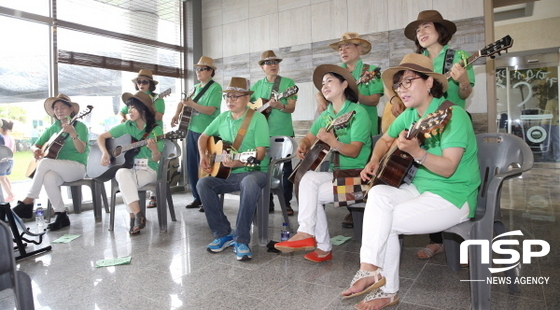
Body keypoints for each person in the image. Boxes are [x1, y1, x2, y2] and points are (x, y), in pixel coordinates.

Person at [341, 53, 480, 309]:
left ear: (429, 83)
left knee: (386, 222)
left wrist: (417, 152)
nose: (401, 90)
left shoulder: (453, 115)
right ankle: (369, 268)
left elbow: (449, 168)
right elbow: (384, 139)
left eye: (408, 82)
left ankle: (386, 288)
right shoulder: (409, 115)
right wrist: (374, 161)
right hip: (420, 189)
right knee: (379, 195)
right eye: (398, 84)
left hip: (453, 196)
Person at [274, 64, 372, 263]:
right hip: (338, 174)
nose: (324, 85)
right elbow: (309, 137)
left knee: (312, 194)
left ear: (344, 85)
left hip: (360, 178)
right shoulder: (326, 114)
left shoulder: (358, 112)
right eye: (323, 83)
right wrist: (302, 144)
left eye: (330, 81)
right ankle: (307, 233)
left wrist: (333, 142)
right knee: (307, 179)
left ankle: (321, 245)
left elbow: (354, 151)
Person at [403, 10, 476, 260]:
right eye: (417, 30)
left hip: (451, 124)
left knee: (452, 173)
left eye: (426, 27)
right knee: (425, 177)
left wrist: (463, 80)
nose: (421, 33)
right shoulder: (416, 60)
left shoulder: (458, 57)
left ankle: (465, 239)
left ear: (440, 30)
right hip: (424, 126)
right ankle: (437, 239)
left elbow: (465, 94)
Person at [197, 77, 269, 261]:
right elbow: (203, 137)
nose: (230, 100)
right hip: (227, 174)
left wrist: (240, 163)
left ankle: (241, 239)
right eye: (227, 96)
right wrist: (204, 155)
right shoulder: (222, 118)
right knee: (203, 183)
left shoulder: (258, 118)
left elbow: (260, 153)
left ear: (247, 98)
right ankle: (223, 234)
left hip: (255, 171)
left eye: (235, 96)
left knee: (250, 182)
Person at [320, 32, 384, 229]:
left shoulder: (370, 70)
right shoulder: (336, 73)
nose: (343, 51)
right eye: (340, 48)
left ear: (359, 49)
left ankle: (364, 206)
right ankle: (351, 207)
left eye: (348, 46)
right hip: (339, 129)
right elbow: (323, 95)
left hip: (365, 126)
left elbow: (374, 99)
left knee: (362, 166)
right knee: (342, 164)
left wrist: (352, 95)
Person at [12, 94, 89, 231]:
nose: (59, 110)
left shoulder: (80, 126)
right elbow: (35, 145)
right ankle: (61, 214)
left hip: (77, 167)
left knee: (45, 163)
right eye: (56, 108)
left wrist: (73, 134)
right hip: (58, 168)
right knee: (48, 177)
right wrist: (36, 150)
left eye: (63, 107)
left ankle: (29, 201)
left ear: (71, 109)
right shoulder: (53, 128)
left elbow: (82, 150)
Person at [97, 92, 164, 235]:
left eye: (133, 108)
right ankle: (138, 213)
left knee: (125, 182)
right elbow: (101, 137)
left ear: (143, 109)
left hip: (149, 170)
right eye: (129, 108)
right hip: (130, 169)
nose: (129, 111)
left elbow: (156, 159)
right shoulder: (127, 126)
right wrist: (105, 152)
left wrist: (154, 150)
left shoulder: (156, 130)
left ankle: (133, 217)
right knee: (121, 173)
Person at [171, 56, 222, 212]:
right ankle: (197, 197)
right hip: (191, 130)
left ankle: (209, 200)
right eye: (197, 69)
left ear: (210, 71)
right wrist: (176, 114)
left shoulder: (215, 88)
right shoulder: (195, 87)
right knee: (192, 165)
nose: (198, 72)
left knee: (207, 167)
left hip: (208, 133)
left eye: (202, 69)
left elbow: (211, 110)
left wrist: (192, 104)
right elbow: (182, 101)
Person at [250, 50, 297, 215]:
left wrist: (281, 106)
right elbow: (250, 108)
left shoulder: (288, 83)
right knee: (264, 168)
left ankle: (286, 203)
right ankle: (267, 202)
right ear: (262, 67)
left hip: (283, 133)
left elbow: (291, 107)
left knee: (285, 169)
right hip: (262, 135)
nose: (273, 66)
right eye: (268, 63)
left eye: (275, 62)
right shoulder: (257, 86)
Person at [119, 69, 166, 209]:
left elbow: (158, 117)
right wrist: (125, 119)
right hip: (136, 133)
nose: (141, 84)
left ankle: (152, 196)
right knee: (130, 165)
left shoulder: (158, 98)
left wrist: (147, 109)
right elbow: (122, 113)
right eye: (139, 82)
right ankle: (136, 213)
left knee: (150, 158)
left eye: (144, 82)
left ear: (150, 84)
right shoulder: (134, 98)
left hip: (152, 132)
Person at [0, 119, 15, 201]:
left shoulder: (1, 137)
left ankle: (10, 194)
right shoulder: (10, 138)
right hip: (10, 160)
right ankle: (11, 192)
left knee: (1, 179)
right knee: (4, 177)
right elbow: (14, 150)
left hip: (2, 161)